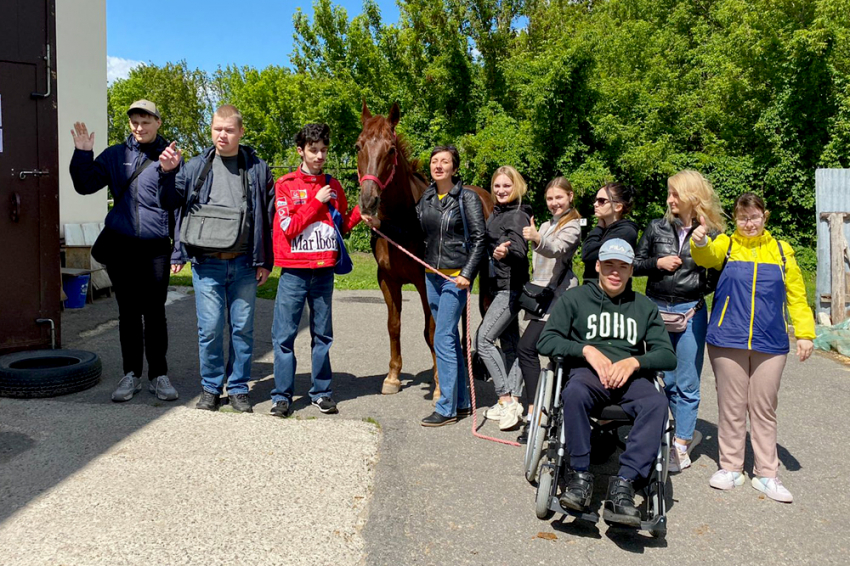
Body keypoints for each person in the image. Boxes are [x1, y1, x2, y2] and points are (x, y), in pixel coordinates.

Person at [537, 239, 676, 527]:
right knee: (574, 393)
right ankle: (579, 476)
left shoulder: (644, 306)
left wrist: (634, 362)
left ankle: (625, 483)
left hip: (630, 378)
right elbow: (546, 340)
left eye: (622, 267)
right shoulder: (575, 299)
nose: (615, 272)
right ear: (598, 266)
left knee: (657, 402)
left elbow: (667, 355)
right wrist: (586, 350)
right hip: (588, 375)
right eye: (609, 265)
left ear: (631, 270)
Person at [690, 192, 815, 503]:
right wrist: (700, 241)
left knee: (764, 407)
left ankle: (767, 474)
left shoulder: (782, 251)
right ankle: (730, 468)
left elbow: (797, 295)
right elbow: (706, 257)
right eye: (743, 218)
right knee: (731, 406)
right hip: (726, 339)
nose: (749, 223)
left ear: (764, 216)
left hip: (770, 342)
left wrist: (805, 334)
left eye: (754, 217)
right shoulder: (726, 245)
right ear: (736, 219)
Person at [158, 104, 275, 413]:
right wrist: (167, 172)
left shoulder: (257, 168)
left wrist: (265, 260)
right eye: (217, 129)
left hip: (245, 262)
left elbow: (268, 216)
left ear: (241, 132)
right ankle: (210, 387)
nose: (222, 135)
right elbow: (169, 202)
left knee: (242, 329)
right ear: (211, 130)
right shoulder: (195, 166)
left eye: (229, 130)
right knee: (209, 329)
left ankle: (238, 388)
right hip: (206, 263)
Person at [363, 145, 486, 426]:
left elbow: (480, 239)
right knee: (448, 337)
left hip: (455, 278)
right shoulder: (427, 198)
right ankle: (462, 402)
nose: (438, 165)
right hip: (432, 276)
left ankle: (446, 407)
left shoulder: (466, 198)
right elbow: (411, 232)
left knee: (441, 337)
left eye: (445, 161)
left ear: (455, 168)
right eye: (434, 161)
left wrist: (467, 273)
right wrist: (380, 223)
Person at [70, 99, 180, 403]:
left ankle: (159, 375)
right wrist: (82, 154)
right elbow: (84, 184)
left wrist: (170, 172)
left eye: (146, 121)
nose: (139, 127)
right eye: (135, 122)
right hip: (122, 246)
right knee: (129, 313)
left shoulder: (170, 156)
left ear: (158, 122)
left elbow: (175, 203)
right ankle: (131, 374)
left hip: (156, 248)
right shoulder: (115, 155)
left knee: (155, 312)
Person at [634, 170, 725, 472]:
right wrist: (657, 263)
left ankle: (682, 444)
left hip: (690, 312)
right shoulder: (656, 227)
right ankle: (676, 431)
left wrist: (696, 287)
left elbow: (717, 275)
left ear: (692, 197)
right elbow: (634, 264)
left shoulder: (712, 233)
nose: (669, 199)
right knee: (664, 378)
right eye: (669, 193)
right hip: (655, 310)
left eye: (675, 194)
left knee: (686, 381)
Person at [269, 123, 361, 417]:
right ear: (301, 151)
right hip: (294, 272)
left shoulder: (334, 185)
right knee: (284, 337)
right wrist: (314, 201)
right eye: (313, 150)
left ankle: (321, 393)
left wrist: (361, 212)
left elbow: (341, 226)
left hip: (324, 272)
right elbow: (289, 227)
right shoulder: (285, 184)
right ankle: (282, 396)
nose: (319, 156)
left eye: (323, 150)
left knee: (322, 336)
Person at [516, 177, 582, 443]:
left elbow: (557, 249)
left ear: (570, 196)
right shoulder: (545, 224)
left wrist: (537, 238)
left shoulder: (574, 225)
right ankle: (544, 411)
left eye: (559, 198)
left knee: (528, 348)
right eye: (550, 198)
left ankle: (538, 412)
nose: (554, 203)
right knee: (543, 354)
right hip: (540, 296)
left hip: (560, 299)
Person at [476, 166, 532, 431]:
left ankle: (506, 397)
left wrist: (505, 253)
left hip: (509, 289)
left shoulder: (517, 215)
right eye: (497, 186)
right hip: (499, 286)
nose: (500, 190)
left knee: (483, 340)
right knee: (511, 345)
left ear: (516, 187)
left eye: (506, 186)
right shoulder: (500, 212)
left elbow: (519, 250)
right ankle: (514, 400)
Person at [581, 183, 638, 284]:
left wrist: (599, 227)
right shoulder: (605, 229)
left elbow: (588, 254)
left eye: (601, 201)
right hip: (592, 288)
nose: (595, 204)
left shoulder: (625, 232)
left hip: (610, 290)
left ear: (618, 207)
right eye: (595, 200)